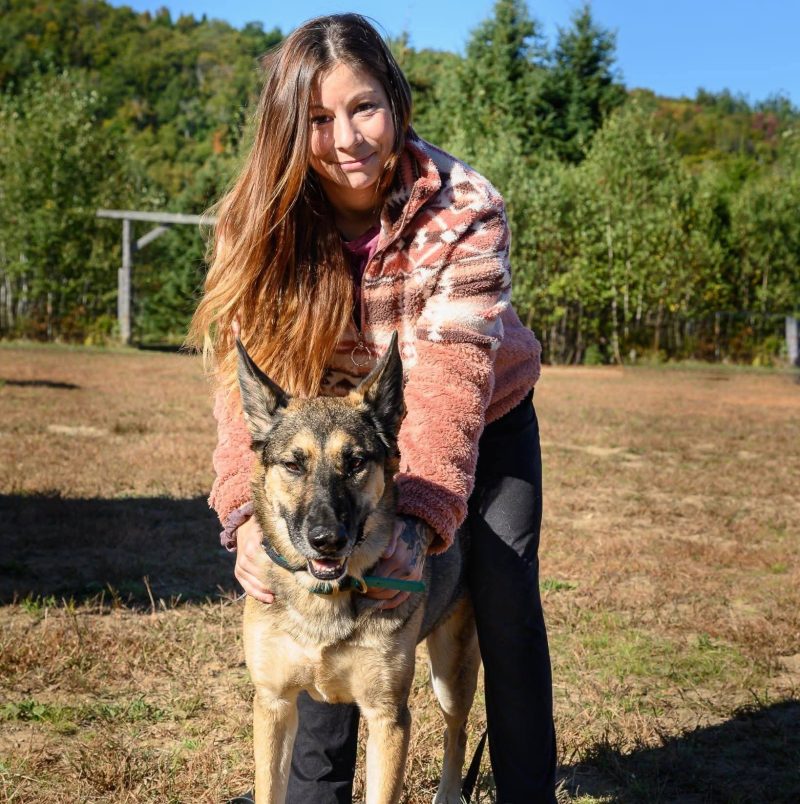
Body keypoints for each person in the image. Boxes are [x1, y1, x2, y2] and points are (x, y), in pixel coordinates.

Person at [189, 13, 557, 804]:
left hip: (481, 422)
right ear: (291, 128)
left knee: (501, 599)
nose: (346, 137)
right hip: (332, 438)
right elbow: (243, 396)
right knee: (319, 589)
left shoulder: (465, 208)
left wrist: (418, 521)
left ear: (397, 100)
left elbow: (449, 388)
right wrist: (243, 518)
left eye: (364, 107)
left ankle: (525, 791)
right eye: (318, 119)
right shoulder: (255, 224)